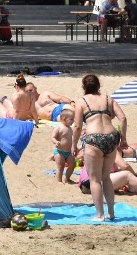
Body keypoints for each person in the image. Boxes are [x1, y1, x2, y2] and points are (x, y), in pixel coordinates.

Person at [72, 74, 129, 222]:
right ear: (99, 85)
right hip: (111, 138)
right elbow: (123, 118)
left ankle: (100, 215)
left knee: (95, 180)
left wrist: (74, 146)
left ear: (84, 87)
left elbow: (78, 126)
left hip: (93, 138)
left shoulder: (81, 101)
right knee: (106, 178)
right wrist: (123, 139)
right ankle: (111, 212)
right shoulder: (109, 99)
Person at [51, 108, 76, 184]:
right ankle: (59, 181)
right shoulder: (58, 128)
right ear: (64, 119)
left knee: (72, 165)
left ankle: (67, 178)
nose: (73, 121)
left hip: (68, 152)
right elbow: (52, 137)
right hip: (59, 151)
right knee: (60, 166)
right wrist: (56, 141)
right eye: (71, 119)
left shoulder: (70, 129)